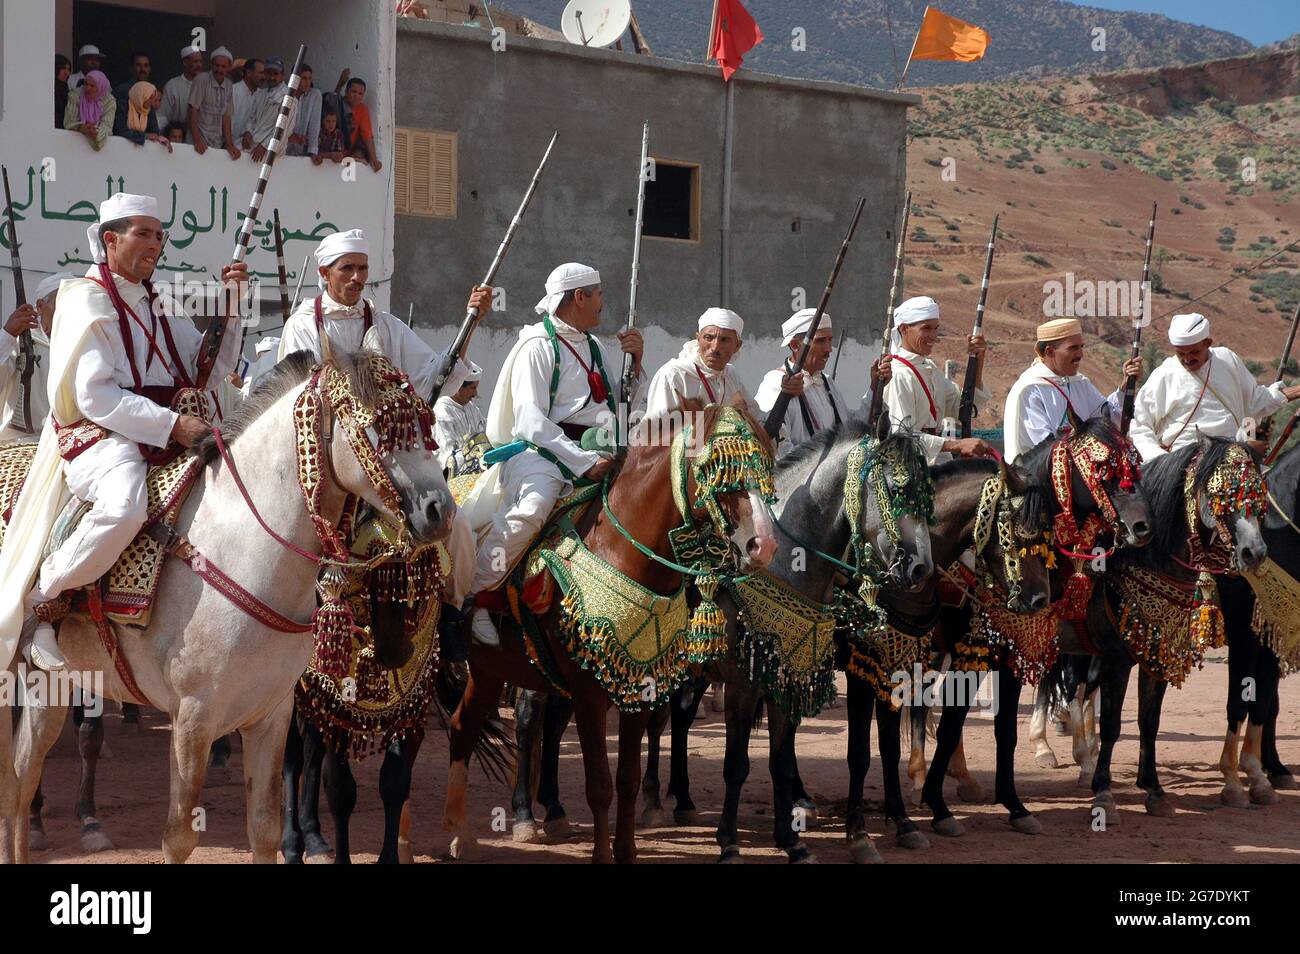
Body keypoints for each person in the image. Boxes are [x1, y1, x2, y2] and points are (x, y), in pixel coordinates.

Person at [0, 193, 246, 671]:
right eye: (144, 234)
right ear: (110, 239)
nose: (155, 244)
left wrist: (232, 307)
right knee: (125, 505)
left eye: (160, 235)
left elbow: (207, 371)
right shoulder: (83, 299)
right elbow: (94, 397)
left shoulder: (160, 300)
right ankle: (44, 597)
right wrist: (172, 424)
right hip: (101, 436)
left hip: (160, 432)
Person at [276, 228, 489, 620]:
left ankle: (458, 615)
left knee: (454, 527)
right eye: (347, 269)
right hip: (327, 457)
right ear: (325, 272)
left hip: (387, 456)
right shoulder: (303, 325)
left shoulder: (385, 324)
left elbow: (431, 375)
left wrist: (471, 322)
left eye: (363, 269)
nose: (357, 277)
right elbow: (301, 399)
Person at [468, 263, 645, 646]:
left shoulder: (595, 345)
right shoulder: (537, 345)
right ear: (578, 296)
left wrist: (637, 363)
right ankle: (476, 597)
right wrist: (583, 462)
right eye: (597, 293)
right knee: (531, 510)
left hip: (599, 448)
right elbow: (531, 422)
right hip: (542, 454)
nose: (602, 302)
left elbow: (618, 406)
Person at [1130, 313, 1300, 461]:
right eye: (1181, 353)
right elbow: (1139, 424)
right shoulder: (1165, 374)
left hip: (1234, 454)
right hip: (1185, 463)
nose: (1187, 359)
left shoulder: (1227, 359)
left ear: (1208, 343)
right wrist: (1160, 460)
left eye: (1194, 352)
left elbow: (1255, 402)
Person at [1002, 318, 1143, 463]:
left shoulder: (1079, 382)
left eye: (1081, 347)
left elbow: (1108, 418)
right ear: (1050, 352)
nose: (1080, 354)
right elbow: (1043, 450)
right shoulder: (1031, 389)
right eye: (1073, 348)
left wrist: (1126, 386)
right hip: (1040, 479)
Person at [880, 295, 994, 463]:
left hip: (939, 461)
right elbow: (903, 437)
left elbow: (966, 409)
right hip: (910, 468)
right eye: (926, 328)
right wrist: (956, 445)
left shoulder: (930, 368)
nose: (933, 336)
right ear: (904, 329)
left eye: (936, 328)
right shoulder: (898, 374)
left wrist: (978, 360)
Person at [755, 308, 852, 456]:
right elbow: (775, 448)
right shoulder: (775, 383)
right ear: (795, 345)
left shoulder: (827, 382)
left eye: (830, 340)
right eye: (820, 341)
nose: (828, 349)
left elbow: (849, 426)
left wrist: (875, 387)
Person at [0, 273, 75, 444]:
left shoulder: (81, 342)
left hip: (63, 445)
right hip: (18, 444)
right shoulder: (19, 340)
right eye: (61, 306)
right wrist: (7, 335)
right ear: (40, 306)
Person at [644, 307, 752, 421]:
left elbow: (756, 418)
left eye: (724, 340)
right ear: (698, 339)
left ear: (737, 346)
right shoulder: (674, 375)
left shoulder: (730, 376)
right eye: (708, 338)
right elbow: (660, 432)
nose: (715, 347)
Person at [434, 362, 487, 475]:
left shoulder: (471, 408)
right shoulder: (442, 412)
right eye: (473, 388)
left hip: (477, 472)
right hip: (454, 479)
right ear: (457, 386)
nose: (475, 393)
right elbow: (448, 459)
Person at [188, 47, 239, 160]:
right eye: (216, 65)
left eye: (223, 66)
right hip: (198, 143)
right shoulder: (201, 79)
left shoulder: (229, 85)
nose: (219, 69)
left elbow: (226, 116)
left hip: (216, 144)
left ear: (229, 68)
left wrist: (230, 145)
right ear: (211, 64)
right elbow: (193, 110)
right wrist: (197, 140)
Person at [158, 45, 204, 141]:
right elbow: (163, 117)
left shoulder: (206, 86)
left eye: (200, 61)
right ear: (185, 62)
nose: (199, 65)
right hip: (178, 143)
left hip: (202, 142)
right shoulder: (172, 85)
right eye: (195, 61)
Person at [64, 70, 115, 151]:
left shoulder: (109, 101)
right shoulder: (75, 95)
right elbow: (69, 122)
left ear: (100, 86)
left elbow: (107, 126)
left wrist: (95, 132)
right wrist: (81, 127)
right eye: (86, 84)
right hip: (73, 146)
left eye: (92, 86)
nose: (87, 88)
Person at [113, 81, 171, 152]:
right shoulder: (123, 107)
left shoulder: (149, 111)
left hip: (140, 153)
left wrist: (161, 139)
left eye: (153, 98)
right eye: (150, 97)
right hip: (120, 150)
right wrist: (145, 136)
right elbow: (120, 131)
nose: (152, 101)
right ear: (140, 95)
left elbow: (154, 132)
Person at [340, 77, 381, 171]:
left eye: (360, 94)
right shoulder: (338, 103)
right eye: (353, 92)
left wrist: (374, 159)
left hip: (350, 154)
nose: (357, 96)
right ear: (346, 92)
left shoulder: (362, 109)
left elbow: (367, 136)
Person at [285, 64, 322, 158]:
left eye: (309, 78)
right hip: (283, 149)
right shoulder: (284, 94)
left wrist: (312, 152)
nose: (307, 82)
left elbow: (315, 125)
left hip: (303, 152)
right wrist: (290, 136)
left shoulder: (314, 95)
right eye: (304, 78)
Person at [230, 57, 264, 148]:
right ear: (249, 73)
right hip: (228, 149)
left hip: (250, 153)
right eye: (261, 73)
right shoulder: (233, 90)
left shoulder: (263, 96)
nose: (264, 77)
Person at [55, 54, 72, 128]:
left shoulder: (65, 89)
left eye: (68, 69)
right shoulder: (48, 88)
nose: (67, 73)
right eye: (63, 68)